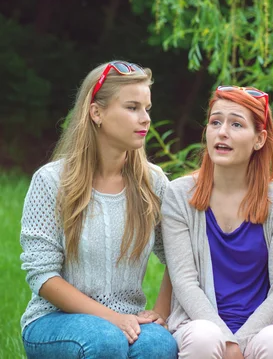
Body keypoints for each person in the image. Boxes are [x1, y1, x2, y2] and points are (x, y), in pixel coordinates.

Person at [19, 61, 178, 358]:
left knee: (158, 345)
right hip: (54, 320)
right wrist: (110, 318)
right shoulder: (52, 181)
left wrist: (161, 311)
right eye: (132, 107)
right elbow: (42, 276)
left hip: (129, 318)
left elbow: (178, 256)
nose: (145, 119)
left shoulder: (153, 183)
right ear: (97, 113)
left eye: (147, 109)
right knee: (104, 341)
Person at [162, 86, 273, 359]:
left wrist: (240, 341)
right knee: (204, 338)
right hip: (198, 324)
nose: (222, 132)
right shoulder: (179, 195)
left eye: (236, 124)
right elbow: (185, 282)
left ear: (259, 139)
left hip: (260, 328)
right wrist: (224, 338)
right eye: (215, 122)